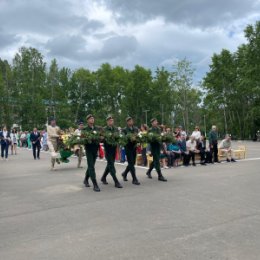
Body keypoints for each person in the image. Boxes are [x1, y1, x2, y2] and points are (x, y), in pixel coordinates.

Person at [100, 116, 123, 188]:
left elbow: (118, 137)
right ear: (107, 122)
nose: (111, 122)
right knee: (111, 165)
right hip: (107, 149)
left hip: (113, 149)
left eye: (112, 120)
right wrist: (103, 138)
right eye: (109, 120)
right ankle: (116, 181)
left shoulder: (116, 129)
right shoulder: (104, 129)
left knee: (110, 164)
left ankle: (103, 177)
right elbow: (101, 140)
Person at [83, 114, 101, 192]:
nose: (92, 120)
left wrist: (101, 137)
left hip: (95, 149)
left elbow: (101, 136)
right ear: (87, 120)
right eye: (90, 119)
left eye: (93, 118)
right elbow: (83, 138)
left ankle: (86, 179)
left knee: (91, 165)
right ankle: (95, 184)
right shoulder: (85, 129)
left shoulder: (97, 128)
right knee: (91, 166)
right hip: (89, 149)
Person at [121, 117, 140, 185]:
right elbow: (123, 138)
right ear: (127, 122)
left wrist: (138, 140)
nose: (130, 122)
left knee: (132, 163)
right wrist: (130, 138)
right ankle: (134, 179)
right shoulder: (124, 129)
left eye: (131, 120)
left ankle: (124, 173)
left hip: (134, 147)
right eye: (129, 121)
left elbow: (138, 136)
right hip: (128, 148)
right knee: (131, 163)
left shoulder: (135, 128)